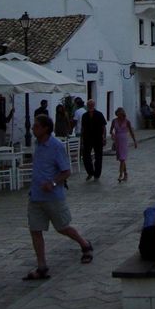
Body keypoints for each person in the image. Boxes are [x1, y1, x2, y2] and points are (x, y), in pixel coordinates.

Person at [22, 115, 93, 281]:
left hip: (53, 196)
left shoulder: (56, 146)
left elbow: (66, 171)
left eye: (36, 126)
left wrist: (53, 183)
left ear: (45, 128)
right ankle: (42, 266)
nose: (33, 129)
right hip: (36, 196)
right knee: (35, 230)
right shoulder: (37, 145)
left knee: (62, 227)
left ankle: (84, 244)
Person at [79, 99, 107, 181]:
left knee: (98, 157)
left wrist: (104, 137)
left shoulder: (99, 114)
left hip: (98, 138)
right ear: (87, 105)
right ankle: (90, 172)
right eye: (89, 104)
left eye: (91, 104)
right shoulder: (84, 115)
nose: (90, 106)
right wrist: (81, 139)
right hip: (87, 138)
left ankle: (97, 174)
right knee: (85, 156)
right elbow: (82, 128)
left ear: (94, 105)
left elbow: (103, 127)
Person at [109, 107, 137, 182]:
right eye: (117, 114)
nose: (119, 115)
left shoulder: (127, 121)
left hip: (124, 140)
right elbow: (111, 131)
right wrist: (112, 135)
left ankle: (120, 175)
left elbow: (131, 132)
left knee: (122, 158)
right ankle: (126, 173)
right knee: (121, 159)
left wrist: (135, 141)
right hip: (117, 140)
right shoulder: (114, 121)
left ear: (122, 114)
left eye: (120, 114)